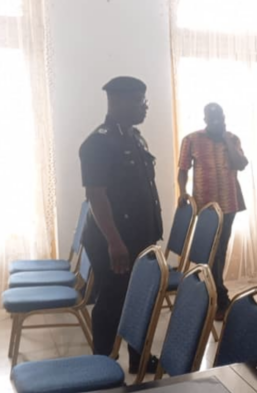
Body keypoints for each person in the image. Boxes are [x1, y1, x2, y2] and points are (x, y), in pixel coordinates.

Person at [79, 76, 163, 373]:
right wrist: (114, 242)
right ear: (118, 101)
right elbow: (96, 195)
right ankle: (102, 365)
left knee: (140, 298)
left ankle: (139, 357)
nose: (145, 106)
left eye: (145, 100)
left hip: (139, 237)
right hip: (113, 240)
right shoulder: (97, 143)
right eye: (140, 101)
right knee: (112, 301)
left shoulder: (135, 138)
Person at [178, 103, 248, 320]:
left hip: (229, 203)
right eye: (213, 118)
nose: (217, 122)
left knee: (221, 249)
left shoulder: (232, 139)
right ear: (205, 120)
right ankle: (214, 293)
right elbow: (182, 170)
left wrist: (226, 140)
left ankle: (217, 294)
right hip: (205, 206)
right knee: (209, 250)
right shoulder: (191, 139)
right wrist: (182, 191)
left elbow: (241, 164)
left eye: (220, 118)